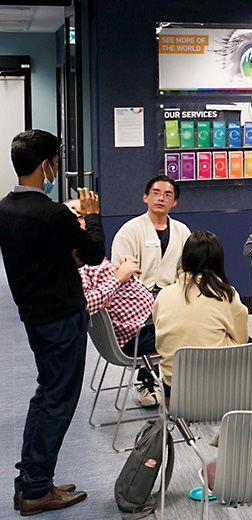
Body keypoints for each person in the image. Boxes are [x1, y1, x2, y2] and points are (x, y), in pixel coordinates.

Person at [0, 130, 95, 515]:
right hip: (62, 318)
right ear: (46, 165)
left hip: (35, 317)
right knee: (58, 401)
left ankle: (31, 481)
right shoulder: (53, 213)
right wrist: (92, 216)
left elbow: (40, 255)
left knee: (45, 395)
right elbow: (94, 252)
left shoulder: (5, 207)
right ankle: (38, 489)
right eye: (56, 160)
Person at [65, 199, 160, 407]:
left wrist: (121, 273)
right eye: (82, 216)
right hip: (137, 335)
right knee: (200, 328)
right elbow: (86, 304)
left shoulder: (87, 256)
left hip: (147, 321)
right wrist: (118, 277)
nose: (89, 221)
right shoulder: (76, 265)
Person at [153, 230, 249, 397]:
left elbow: (159, 330)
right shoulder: (227, 295)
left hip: (175, 389)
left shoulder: (164, 295)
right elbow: (241, 340)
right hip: (220, 388)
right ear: (218, 260)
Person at [111, 175, 191, 294]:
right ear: (145, 197)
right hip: (136, 298)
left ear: (174, 202)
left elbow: (187, 270)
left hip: (172, 297)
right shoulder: (129, 230)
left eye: (168, 194)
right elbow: (120, 269)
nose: (161, 198)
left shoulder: (182, 231)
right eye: (155, 193)